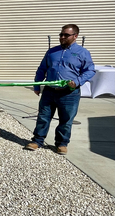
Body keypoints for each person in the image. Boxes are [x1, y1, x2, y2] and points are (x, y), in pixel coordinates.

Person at [25, 24, 95, 155]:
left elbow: (90, 71)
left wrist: (77, 82)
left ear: (75, 36)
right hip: (49, 92)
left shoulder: (83, 53)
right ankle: (37, 141)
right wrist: (36, 86)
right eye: (61, 34)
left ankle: (62, 144)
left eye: (66, 35)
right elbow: (41, 69)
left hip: (69, 94)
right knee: (43, 117)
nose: (62, 37)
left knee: (66, 120)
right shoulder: (52, 52)